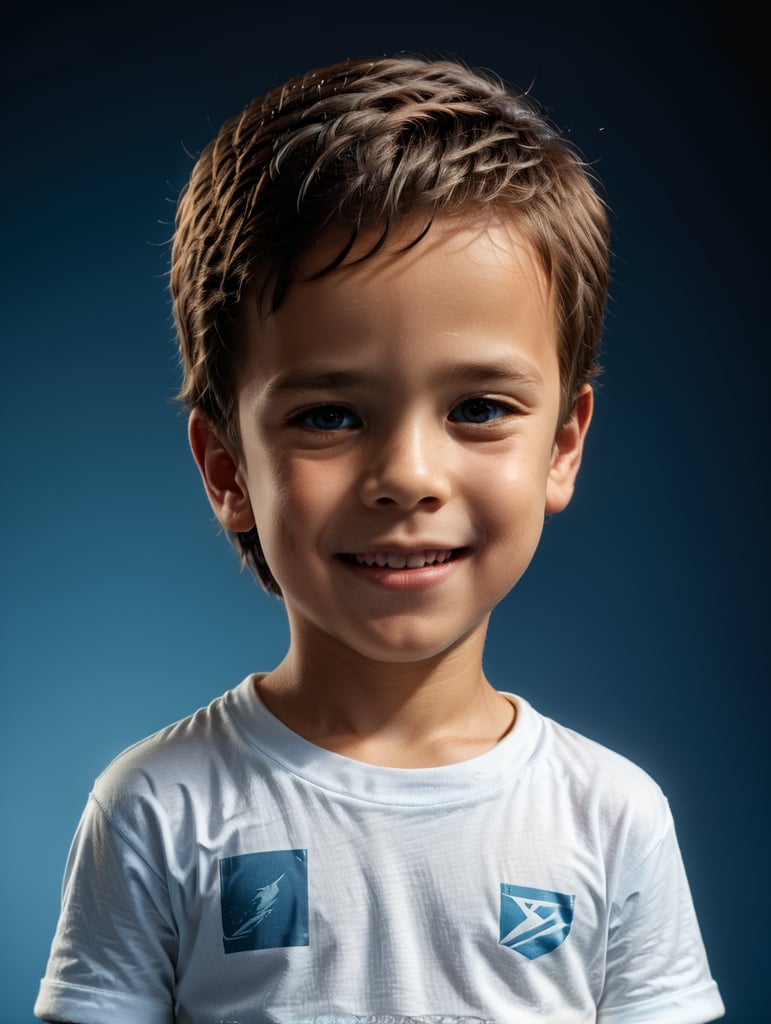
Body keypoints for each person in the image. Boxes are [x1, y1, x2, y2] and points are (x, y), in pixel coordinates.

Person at [34, 54, 725, 1023]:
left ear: (563, 445)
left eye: (479, 407)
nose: (407, 476)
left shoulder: (613, 817)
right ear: (228, 468)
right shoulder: (156, 808)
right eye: (328, 416)